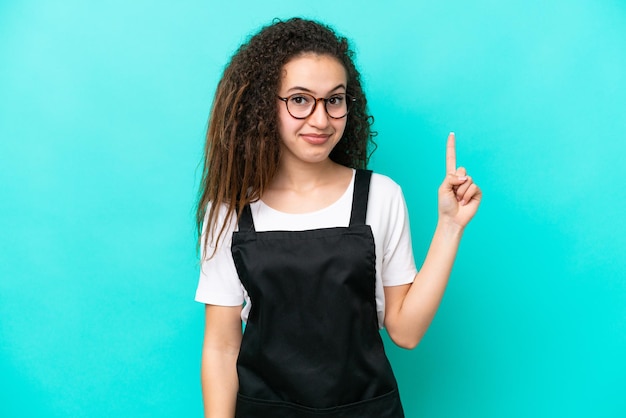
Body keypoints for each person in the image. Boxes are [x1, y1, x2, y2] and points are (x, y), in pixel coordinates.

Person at [195, 17, 481, 418]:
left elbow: (406, 331)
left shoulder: (380, 196)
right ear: (263, 105)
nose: (321, 119)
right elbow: (222, 348)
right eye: (299, 99)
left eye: (334, 99)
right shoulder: (228, 212)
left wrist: (450, 227)